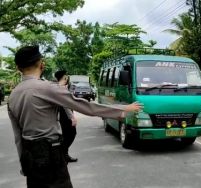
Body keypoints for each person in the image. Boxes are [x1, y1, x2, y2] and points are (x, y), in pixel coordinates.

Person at [7, 46, 142, 188]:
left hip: (30, 158)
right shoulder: (47, 88)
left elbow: (18, 136)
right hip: (51, 156)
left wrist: (24, 164)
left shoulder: (13, 96)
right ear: (42, 64)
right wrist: (122, 110)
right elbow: (86, 107)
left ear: (18, 68)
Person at [55, 70, 78, 163]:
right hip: (64, 115)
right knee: (71, 134)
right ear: (64, 77)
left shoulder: (62, 87)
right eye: (66, 76)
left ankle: (64, 155)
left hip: (64, 114)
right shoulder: (60, 87)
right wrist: (72, 117)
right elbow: (65, 104)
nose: (67, 78)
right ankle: (62, 154)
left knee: (66, 135)